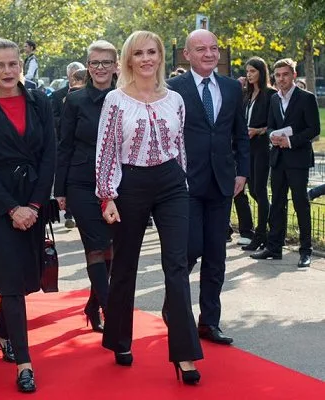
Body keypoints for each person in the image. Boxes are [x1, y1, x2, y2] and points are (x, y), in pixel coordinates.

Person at [96, 31, 202, 385]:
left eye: (152, 52)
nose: (146, 59)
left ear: (161, 57)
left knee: (177, 264)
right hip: (132, 185)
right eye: (139, 53)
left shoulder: (175, 99)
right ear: (128, 59)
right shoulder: (115, 100)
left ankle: (185, 354)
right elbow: (107, 149)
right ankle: (119, 339)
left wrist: (183, 180)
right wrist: (107, 195)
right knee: (125, 265)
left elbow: (180, 144)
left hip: (172, 183)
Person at [0, 39, 56, 393]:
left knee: (25, 278)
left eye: (12, 64)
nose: (6, 71)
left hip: (32, 199)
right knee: (14, 283)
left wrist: (32, 206)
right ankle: (24, 364)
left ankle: (3, 333)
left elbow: (50, 155)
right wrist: (11, 208)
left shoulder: (40, 101)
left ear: (21, 65)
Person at [165, 29, 250, 345]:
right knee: (189, 250)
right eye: (201, 49)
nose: (209, 54)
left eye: (214, 48)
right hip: (184, 183)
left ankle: (209, 323)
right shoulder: (173, 88)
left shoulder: (231, 88)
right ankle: (175, 308)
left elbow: (239, 134)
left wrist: (242, 172)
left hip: (222, 183)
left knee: (216, 254)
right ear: (187, 54)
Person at [55, 40, 117, 333]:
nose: (100, 68)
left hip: (119, 185)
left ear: (116, 65)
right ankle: (110, 310)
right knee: (95, 246)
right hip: (81, 183)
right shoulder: (75, 101)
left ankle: (94, 305)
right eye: (95, 63)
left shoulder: (127, 97)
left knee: (113, 249)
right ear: (88, 67)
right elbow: (64, 146)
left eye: (106, 62)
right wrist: (60, 190)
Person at [251, 58, 320, 268]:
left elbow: (314, 129)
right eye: (278, 75)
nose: (281, 79)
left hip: (298, 160)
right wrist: (273, 135)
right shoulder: (274, 99)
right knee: (278, 204)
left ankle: (305, 251)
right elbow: (271, 126)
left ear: (294, 75)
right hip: (278, 159)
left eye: (285, 74)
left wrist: (290, 140)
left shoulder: (306, 98)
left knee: (301, 205)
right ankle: (274, 248)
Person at [237, 57, 277, 251]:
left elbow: (274, 124)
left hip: (262, 147)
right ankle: (263, 231)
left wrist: (258, 130)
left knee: (259, 191)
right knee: (252, 189)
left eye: (253, 71)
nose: (249, 74)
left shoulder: (271, 94)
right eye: (247, 71)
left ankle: (261, 235)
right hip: (246, 148)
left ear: (261, 72)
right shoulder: (247, 95)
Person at [50, 62, 85, 230]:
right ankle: (69, 213)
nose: (75, 80)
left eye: (78, 77)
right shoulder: (58, 96)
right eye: (73, 77)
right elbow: (53, 119)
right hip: (63, 143)